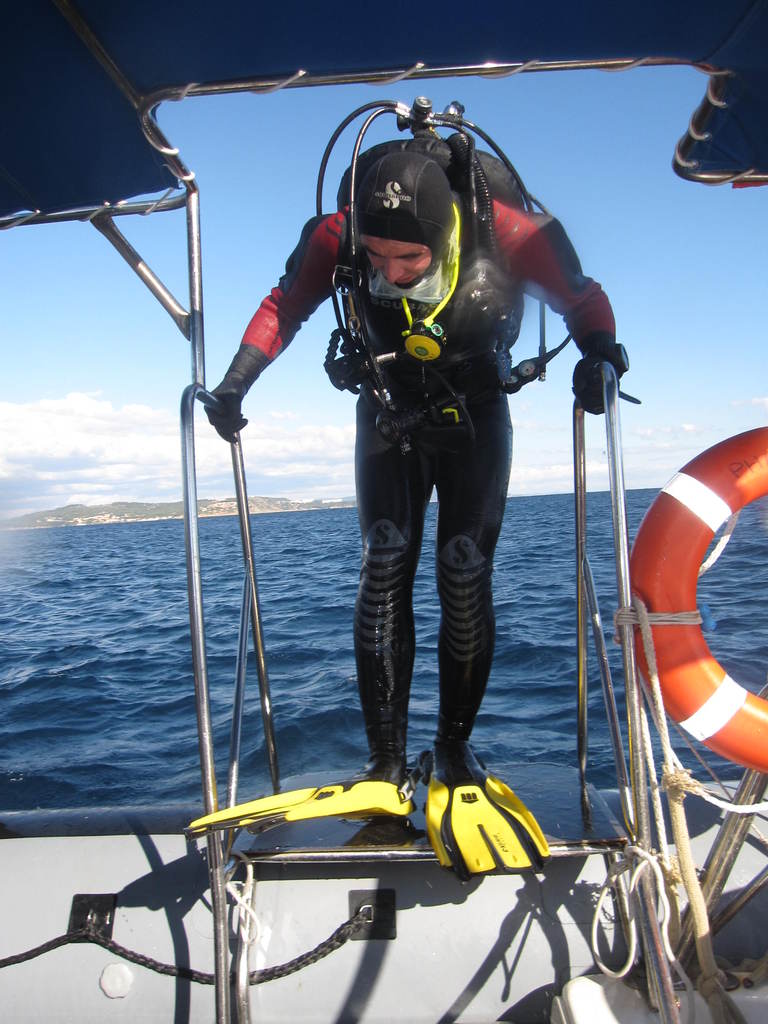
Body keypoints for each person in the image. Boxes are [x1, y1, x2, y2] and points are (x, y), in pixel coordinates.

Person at [206, 134, 626, 878]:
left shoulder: (512, 233)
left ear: (447, 235)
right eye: (377, 258)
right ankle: (385, 764)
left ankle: (455, 751)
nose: (390, 273)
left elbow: (582, 297)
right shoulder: (336, 236)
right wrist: (237, 380)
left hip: (475, 414)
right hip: (386, 410)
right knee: (384, 565)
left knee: (463, 574)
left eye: (409, 259)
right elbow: (285, 304)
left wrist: (600, 355)